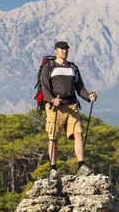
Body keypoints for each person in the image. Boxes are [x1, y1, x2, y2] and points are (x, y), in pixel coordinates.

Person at [40, 41, 97, 180]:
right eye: (62, 49)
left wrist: (89, 96)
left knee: (78, 133)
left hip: (72, 106)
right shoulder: (49, 66)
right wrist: (52, 100)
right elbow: (44, 87)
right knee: (53, 138)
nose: (65, 51)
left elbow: (80, 88)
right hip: (55, 107)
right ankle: (53, 169)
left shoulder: (73, 68)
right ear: (56, 51)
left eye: (66, 49)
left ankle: (81, 166)